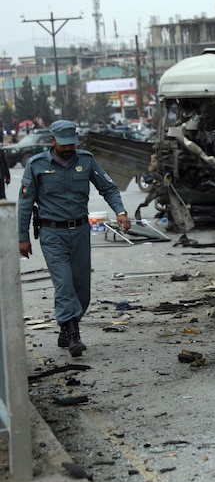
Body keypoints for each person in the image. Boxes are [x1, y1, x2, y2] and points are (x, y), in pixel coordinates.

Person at [17, 120, 132, 358]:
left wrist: (120, 211)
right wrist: (22, 237)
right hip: (51, 233)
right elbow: (25, 203)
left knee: (82, 290)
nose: (69, 148)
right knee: (64, 283)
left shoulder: (86, 160)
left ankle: (64, 328)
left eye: (72, 144)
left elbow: (109, 188)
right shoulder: (36, 165)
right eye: (63, 144)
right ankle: (73, 334)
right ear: (52, 141)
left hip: (80, 232)